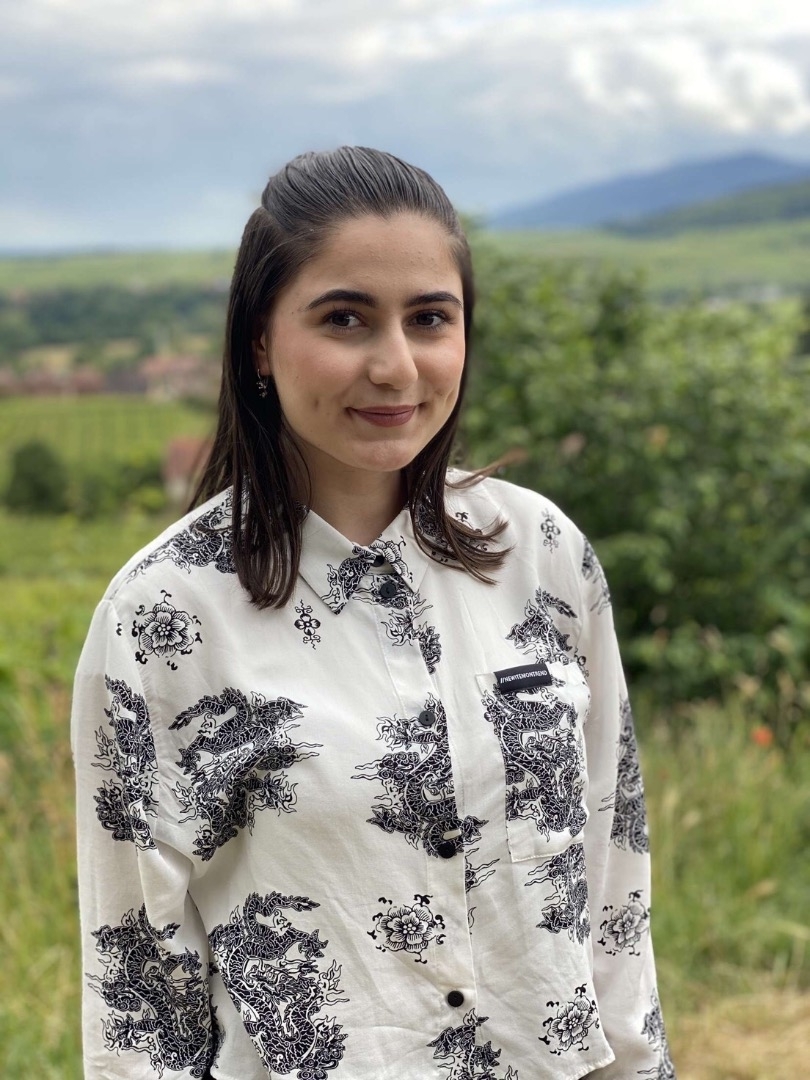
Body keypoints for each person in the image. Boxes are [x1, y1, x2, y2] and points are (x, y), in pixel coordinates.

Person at [71, 146, 675, 1080]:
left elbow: (614, 877)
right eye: (345, 318)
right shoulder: (163, 618)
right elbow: (140, 991)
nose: (396, 366)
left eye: (429, 318)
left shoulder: (542, 554)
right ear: (260, 343)